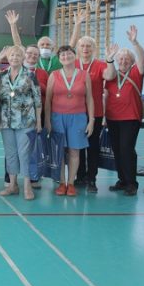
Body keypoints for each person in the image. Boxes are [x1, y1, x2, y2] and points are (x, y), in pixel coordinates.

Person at [0, 46, 42, 200]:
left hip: (26, 121)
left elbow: (37, 100)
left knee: (24, 154)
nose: (15, 58)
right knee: (10, 154)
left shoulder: (30, 75)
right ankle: (12, 185)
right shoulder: (1, 76)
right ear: (8, 58)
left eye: (18, 55)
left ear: (23, 58)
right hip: (6, 121)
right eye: (12, 55)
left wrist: (39, 122)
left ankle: (27, 186)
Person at [45, 45, 94, 197]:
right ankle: (61, 182)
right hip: (57, 117)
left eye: (69, 54)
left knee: (74, 151)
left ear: (74, 55)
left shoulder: (84, 75)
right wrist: (47, 120)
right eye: (63, 55)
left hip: (78, 117)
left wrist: (91, 120)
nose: (66, 57)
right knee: (59, 151)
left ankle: (71, 183)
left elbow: (89, 98)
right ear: (59, 59)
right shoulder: (54, 75)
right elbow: (48, 100)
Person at [103, 26, 144, 196]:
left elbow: (142, 59)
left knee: (127, 148)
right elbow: (108, 75)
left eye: (127, 59)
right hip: (112, 118)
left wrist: (135, 43)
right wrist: (109, 59)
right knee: (117, 149)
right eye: (120, 59)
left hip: (131, 117)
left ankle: (131, 183)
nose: (123, 61)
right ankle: (122, 180)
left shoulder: (136, 72)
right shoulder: (112, 74)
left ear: (131, 61)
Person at [72, 34, 113, 192]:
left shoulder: (100, 64)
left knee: (92, 147)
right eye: (82, 46)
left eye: (88, 46)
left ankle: (92, 179)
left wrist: (109, 60)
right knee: (78, 146)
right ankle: (80, 176)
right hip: (76, 112)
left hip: (94, 113)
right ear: (78, 49)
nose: (85, 49)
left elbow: (109, 76)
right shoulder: (73, 64)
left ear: (94, 49)